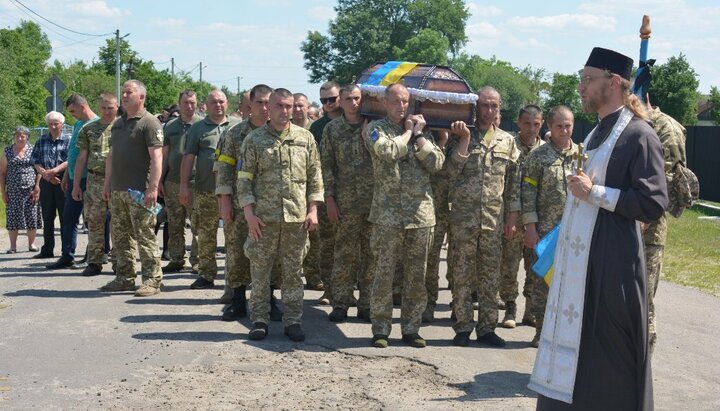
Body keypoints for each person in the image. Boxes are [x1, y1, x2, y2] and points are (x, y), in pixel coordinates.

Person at [529, 47, 667, 410]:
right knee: (580, 353)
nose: (581, 88)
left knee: (610, 357)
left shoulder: (640, 135)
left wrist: (597, 193)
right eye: (582, 80)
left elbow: (653, 201)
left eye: (588, 80)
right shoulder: (594, 134)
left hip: (613, 265)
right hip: (582, 263)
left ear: (615, 82)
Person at [238, 88, 324, 342]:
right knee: (260, 272)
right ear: (269, 108)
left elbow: (314, 175)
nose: (284, 111)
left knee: (293, 272)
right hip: (263, 219)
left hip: (296, 219)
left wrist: (313, 209)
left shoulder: (305, 138)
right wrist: (249, 214)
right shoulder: (254, 140)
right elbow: (243, 180)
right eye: (279, 106)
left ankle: (293, 321)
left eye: (288, 106)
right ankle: (259, 320)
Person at [365, 83, 445, 349]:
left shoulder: (424, 134)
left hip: (420, 216)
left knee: (416, 277)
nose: (401, 106)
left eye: (405, 102)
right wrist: (409, 134)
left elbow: (436, 164)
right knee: (383, 275)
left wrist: (419, 136)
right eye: (396, 101)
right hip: (387, 216)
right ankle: (381, 329)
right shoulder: (376, 130)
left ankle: (411, 329)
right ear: (385, 103)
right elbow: (387, 152)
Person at [446, 86, 521, 348]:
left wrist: (512, 218)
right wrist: (464, 142)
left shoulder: (507, 141)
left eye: (494, 106)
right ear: (476, 107)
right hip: (464, 219)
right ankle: (463, 327)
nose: (489, 110)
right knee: (462, 273)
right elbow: (450, 174)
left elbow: (513, 185)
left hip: (493, 220)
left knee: (491, 276)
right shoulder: (460, 135)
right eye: (485, 105)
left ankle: (487, 327)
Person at [215, 83, 282, 320]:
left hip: (270, 207)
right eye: (259, 103)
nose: (264, 108)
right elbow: (223, 169)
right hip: (239, 206)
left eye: (268, 103)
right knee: (236, 252)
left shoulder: (279, 133)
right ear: (249, 105)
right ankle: (237, 300)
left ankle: (269, 299)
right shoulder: (234, 134)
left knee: (271, 255)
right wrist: (224, 202)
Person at [100, 79, 165, 297]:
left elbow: (157, 157)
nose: (125, 96)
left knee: (145, 236)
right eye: (123, 92)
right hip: (118, 190)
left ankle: (152, 281)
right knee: (120, 237)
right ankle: (124, 278)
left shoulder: (149, 123)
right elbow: (111, 157)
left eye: (129, 92)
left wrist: (153, 188)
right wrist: (107, 183)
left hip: (140, 192)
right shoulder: (117, 124)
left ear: (141, 97)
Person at [520, 105, 577, 348]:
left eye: (568, 125)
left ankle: (567, 335)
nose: (564, 131)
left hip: (575, 232)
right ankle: (542, 332)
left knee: (572, 284)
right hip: (546, 233)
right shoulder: (538, 157)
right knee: (543, 284)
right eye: (559, 126)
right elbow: (528, 193)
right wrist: (530, 227)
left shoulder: (582, 155)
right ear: (550, 128)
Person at [320, 84, 374, 322]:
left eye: (357, 98)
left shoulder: (374, 127)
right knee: (344, 254)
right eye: (348, 99)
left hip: (373, 202)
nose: (353, 103)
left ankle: (366, 304)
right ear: (340, 101)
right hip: (344, 204)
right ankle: (340, 303)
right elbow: (326, 167)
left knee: (371, 256)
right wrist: (329, 199)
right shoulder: (332, 130)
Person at [180, 90, 238, 289]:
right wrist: (184, 186)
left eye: (221, 101)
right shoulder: (197, 128)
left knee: (233, 236)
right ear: (206, 105)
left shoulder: (237, 126)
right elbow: (188, 158)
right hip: (205, 190)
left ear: (227, 103)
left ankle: (233, 276)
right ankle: (206, 274)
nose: (218, 105)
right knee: (205, 235)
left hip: (233, 192)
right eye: (213, 102)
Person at [644, 96, 687, 353]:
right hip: (628, 223)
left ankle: (643, 360)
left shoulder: (665, 126)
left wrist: (646, 215)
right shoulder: (633, 122)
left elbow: (668, 179)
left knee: (644, 298)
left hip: (650, 229)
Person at [498, 105, 545, 328]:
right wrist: (511, 218)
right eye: (527, 123)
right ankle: (509, 307)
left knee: (534, 265)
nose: (531, 128)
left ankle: (530, 310)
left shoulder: (546, 150)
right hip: (512, 216)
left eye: (536, 124)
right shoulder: (508, 145)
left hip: (537, 219)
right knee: (509, 264)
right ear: (518, 123)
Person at [46, 94, 98, 270]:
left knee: (93, 219)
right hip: (74, 178)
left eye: (73, 111)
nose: (72, 115)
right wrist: (68, 176)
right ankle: (67, 256)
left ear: (82, 106)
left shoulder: (96, 124)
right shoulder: (77, 124)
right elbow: (73, 154)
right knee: (68, 218)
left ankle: (94, 255)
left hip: (89, 179)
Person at [71, 93, 117, 276]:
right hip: (94, 180)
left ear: (116, 107)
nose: (107, 112)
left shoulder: (123, 127)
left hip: (117, 180)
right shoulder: (89, 129)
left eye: (110, 108)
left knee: (118, 224)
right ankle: (95, 261)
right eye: (104, 108)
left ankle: (119, 261)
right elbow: (81, 158)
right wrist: (76, 185)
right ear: (99, 108)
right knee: (95, 221)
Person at [307, 81, 343, 302]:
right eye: (323, 101)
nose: (328, 104)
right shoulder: (317, 127)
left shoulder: (359, 121)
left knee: (352, 246)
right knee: (327, 244)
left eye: (332, 99)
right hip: (326, 190)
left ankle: (348, 291)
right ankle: (329, 290)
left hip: (354, 192)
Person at [160, 90, 202, 275]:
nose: (189, 106)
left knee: (198, 224)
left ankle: (198, 261)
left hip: (197, 182)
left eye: (192, 102)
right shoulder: (170, 126)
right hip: (172, 182)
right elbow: (164, 155)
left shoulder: (203, 125)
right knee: (174, 222)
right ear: (179, 103)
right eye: (186, 102)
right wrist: (159, 180)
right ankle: (176, 259)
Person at [31, 111, 71, 259]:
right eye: (50, 124)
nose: (53, 126)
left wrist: (54, 171)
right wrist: (47, 175)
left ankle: (66, 252)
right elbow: (35, 160)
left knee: (65, 218)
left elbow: (70, 160)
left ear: (62, 124)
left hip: (63, 180)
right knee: (47, 216)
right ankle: (47, 249)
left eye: (56, 123)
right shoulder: (41, 140)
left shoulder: (68, 140)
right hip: (46, 181)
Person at [423, 129, 451, 323]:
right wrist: (440, 141)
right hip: (432, 206)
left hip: (461, 209)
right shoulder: (426, 136)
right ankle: (428, 304)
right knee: (430, 259)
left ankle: (460, 306)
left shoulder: (466, 136)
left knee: (460, 263)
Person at [1, 127, 41, 253]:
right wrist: (3, 192)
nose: (19, 138)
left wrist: (37, 187)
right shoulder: (7, 151)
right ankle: (13, 246)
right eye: (17, 135)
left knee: (32, 216)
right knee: (12, 217)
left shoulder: (33, 149)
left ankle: (32, 244)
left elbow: (39, 169)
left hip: (30, 191)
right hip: (13, 191)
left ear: (27, 137)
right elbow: (2, 173)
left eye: (22, 136)